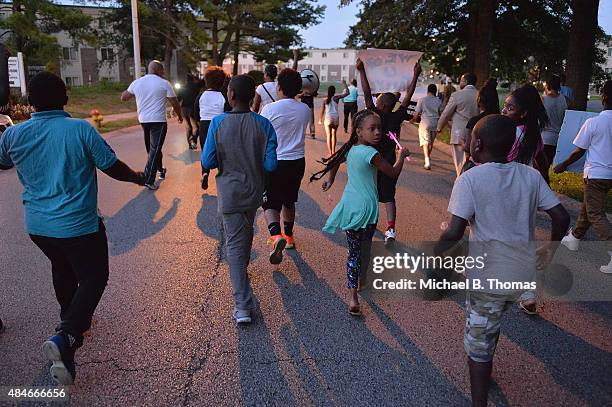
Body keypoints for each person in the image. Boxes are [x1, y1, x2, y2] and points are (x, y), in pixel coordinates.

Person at [0, 72, 146, 385]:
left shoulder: (13, 135)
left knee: (62, 267)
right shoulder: (80, 129)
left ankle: (71, 326)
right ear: (65, 98)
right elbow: (111, 166)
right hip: (79, 225)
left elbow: (2, 162)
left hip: (38, 227)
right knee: (94, 276)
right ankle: (67, 333)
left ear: (30, 103)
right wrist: (136, 176)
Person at [435, 114, 569, 407]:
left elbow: (455, 231)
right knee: (491, 323)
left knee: (478, 349)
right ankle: (486, 369)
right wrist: (549, 252)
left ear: (477, 144)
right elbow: (561, 216)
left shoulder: (469, 179)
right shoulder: (531, 175)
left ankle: (479, 399)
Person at [311, 109, 410, 316]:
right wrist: (401, 157)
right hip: (367, 209)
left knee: (354, 251)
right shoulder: (372, 154)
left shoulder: (351, 149)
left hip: (350, 206)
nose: (377, 133)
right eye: (371, 129)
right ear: (359, 132)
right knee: (363, 249)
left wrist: (330, 179)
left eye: (379, 129)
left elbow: (336, 161)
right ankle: (360, 282)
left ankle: (353, 296)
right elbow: (392, 172)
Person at [201, 75, 278, 324]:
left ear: (230, 95)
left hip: (230, 193)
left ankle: (242, 306)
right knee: (245, 233)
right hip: (254, 193)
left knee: (234, 246)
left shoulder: (218, 123)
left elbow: (207, 161)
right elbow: (271, 164)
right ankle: (241, 273)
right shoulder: (264, 125)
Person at [357, 57, 421, 244]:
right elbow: (408, 96)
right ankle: (391, 229)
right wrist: (415, 75)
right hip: (390, 162)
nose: (374, 102)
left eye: (377, 101)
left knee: (369, 193)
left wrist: (362, 71)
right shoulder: (396, 117)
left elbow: (367, 93)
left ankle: (368, 222)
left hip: (371, 161)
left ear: (382, 105)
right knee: (389, 196)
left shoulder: (374, 115)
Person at [555, 80, 612, 262]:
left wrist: (562, 165)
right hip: (609, 175)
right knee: (589, 206)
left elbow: (579, 150)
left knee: (595, 213)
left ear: (603, 98)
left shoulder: (593, 122)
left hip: (596, 174)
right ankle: (574, 237)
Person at [260, 68, 311, 262]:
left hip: (274, 161)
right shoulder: (305, 110)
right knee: (289, 201)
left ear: (278, 87)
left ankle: (276, 236)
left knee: (270, 203)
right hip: (297, 162)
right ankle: (289, 238)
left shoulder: (269, 109)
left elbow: (262, 135)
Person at [121, 60, 182, 190]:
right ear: (158, 70)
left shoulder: (137, 83)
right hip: (158, 121)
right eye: (163, 70)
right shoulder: (164, 83)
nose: (164, 72)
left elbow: (124, 97)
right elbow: (175, 102)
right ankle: (148, 179)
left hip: (144, 120)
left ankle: (160, 169)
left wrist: (135, 93)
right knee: (154, 149)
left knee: (152, 149)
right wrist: (180, 116)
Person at [502, 84, 550, 184]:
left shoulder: (514, 134)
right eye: (504, 106)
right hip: (525, 184)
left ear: (523, 113)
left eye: (510, 108)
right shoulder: (532, 132)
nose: (503, 111)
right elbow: (543, 163)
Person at [437, 73, 479, 177]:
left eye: (461, 80)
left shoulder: (457, 95)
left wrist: (439, 127)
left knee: (460, 162)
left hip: (458, 133)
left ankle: (461, 183)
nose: (460, 83)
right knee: (471, 161)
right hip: (476, 132)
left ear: (465, 82)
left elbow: (446, 113)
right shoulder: (479, 94)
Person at [197, 66, 230, 190]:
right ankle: (222, 174)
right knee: (221, 151)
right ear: (222, 82)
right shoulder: (223, 96)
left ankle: (205, 172)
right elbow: (228, 111)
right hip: (219, 125)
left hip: (204, 125)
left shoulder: (201, 95)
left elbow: (196, 111)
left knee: (206, 150)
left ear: (206, 81)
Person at [463, 78, 500, 169]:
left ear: (479, 100)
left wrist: (461, 143)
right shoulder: (502, 121)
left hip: (477, 166)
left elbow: (468, 148)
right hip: (499, 166)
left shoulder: (474, 121)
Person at [541, 75, 568, 173]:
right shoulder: (565, 100)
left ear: (547, 85)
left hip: (544, 138)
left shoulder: (542, 100)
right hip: (558, 139)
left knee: (541, 169)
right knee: (545, 168)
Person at [413, 84, 442, 170]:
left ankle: (427, 160)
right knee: (431, 143)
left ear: (427, 91)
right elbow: (441, 113)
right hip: (435, 123)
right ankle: (428, 158)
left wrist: (413, 120)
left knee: (425, 142)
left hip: (425, 123)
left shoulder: (422, 100)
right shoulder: (438, 101)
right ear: (435, 91)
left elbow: (416, 114)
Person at [320, 85, 349, 156]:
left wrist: (320, 119)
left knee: (328, 136)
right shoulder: (336, 98)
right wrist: (345, 85)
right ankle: (333, 151)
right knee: (334, 134)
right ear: (334, 91)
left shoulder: (325, 100)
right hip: (335, 118)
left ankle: (330, 153)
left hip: (328, 118)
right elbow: (347, 93)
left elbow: (322, 111)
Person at [178, 74, 203, 150]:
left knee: (188, 127)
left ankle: (190, 145)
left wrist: (174, 109)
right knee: (198, 127)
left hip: (184, 109)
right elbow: (204, 81)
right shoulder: (196, 86)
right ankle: (193, 139)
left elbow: (178, 99)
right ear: (193, 79)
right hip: (192, 109)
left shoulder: (182, 88)